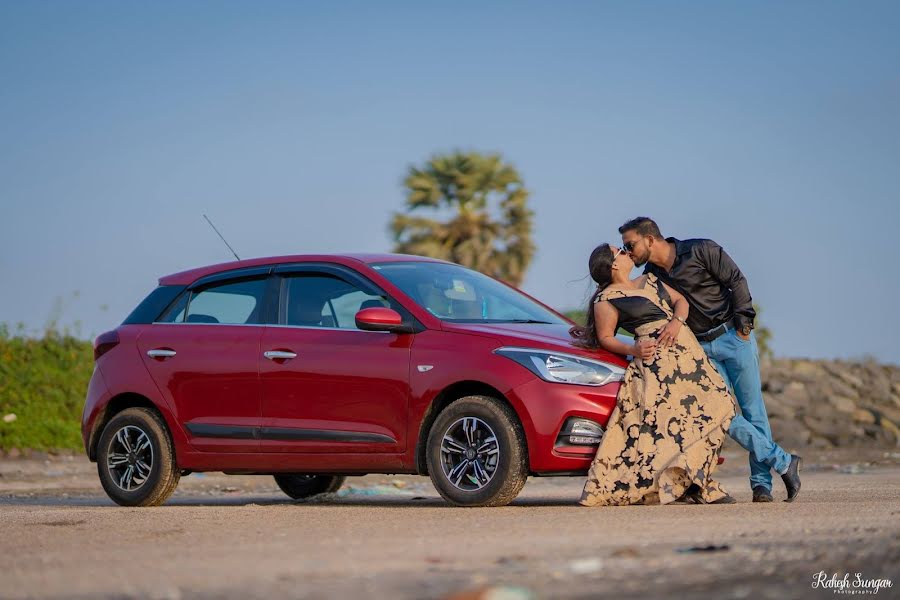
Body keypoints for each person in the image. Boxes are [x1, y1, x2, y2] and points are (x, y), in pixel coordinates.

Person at [619, 216, 801, 502]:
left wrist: (743, 329)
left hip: (733, 337)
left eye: (630, 245)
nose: (628, 251)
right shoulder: (653, 275)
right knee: (722, 413)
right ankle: (783, 462)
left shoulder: (701, 249)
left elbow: (737, 281)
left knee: (754, 411)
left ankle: (761, 484)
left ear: (650, 238)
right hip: (701, 350)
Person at [573, 243, 737, 506]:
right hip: (657, 362)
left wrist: (676, 321)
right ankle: (693, 484)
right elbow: (605, 337)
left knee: (722, 405)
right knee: (669, 426)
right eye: (622, 252)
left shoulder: (650, 279)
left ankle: (688, 477)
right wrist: (633, 349)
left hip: (688, 352)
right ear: (614, 264)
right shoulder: (606, 300)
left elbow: (681, 301)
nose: (628, 253)